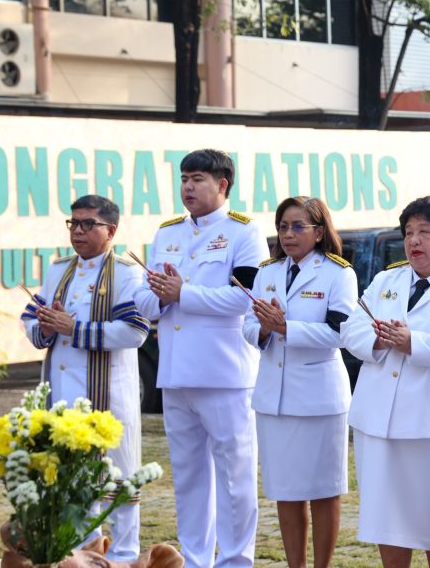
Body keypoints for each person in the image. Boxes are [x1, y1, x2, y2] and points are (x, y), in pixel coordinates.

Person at [134, 149, 268, 568]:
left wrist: (183, 294)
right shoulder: (167, 233)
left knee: (234, 476)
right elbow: (143, 298)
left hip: (224, 371)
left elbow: (245, 298)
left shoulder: (245, 232)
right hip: (176, 373)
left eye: (197, 179)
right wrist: (159, 294)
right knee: (189, 475)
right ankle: (194, 559)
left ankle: (235, 560)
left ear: (222, 184)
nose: (187, 188)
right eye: (184, 179)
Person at [343, 196, 430, 568]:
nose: (414, 241)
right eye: (408, 233)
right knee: (388, 524)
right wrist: (377, 338)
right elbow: (352, 328)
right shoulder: (388, 278)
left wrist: (413, 342)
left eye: (425, 232)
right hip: (380, 421)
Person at [20, 195, 149, 562]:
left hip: (107, 391)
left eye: (87, 224)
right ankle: (82, 554)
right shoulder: (59, 268)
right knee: (73, 479)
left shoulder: (127, 272)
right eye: (73, 223)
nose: (77, 231)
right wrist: (43, 326)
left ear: (111, 230)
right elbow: (30, 318)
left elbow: (135, 331)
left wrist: (74, 329)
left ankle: (125, 555)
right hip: (62, 390)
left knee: (117, 477)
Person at [242, 196, 355, 568]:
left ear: (319, 232)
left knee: (323, 491)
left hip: (319, 399)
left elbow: (340, 332)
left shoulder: (338, 273)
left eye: (297, 227)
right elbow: (246, 326)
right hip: (274, 397)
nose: (287, 234)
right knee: (285, 492)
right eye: (282, 226)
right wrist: (263, 328)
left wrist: (287, 327)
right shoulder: (267, 272)